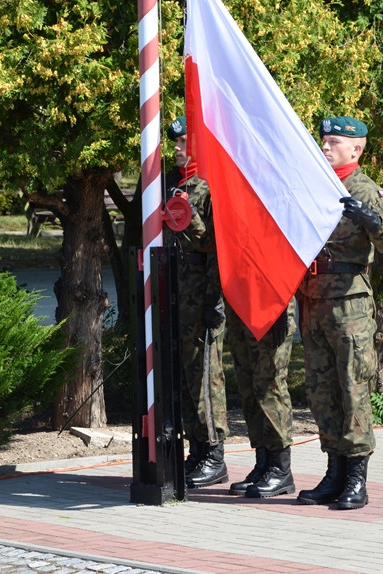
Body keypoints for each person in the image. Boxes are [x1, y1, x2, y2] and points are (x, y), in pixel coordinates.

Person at [296, 116, 383, 510]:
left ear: (356, 149)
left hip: (349, 304)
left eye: (334, 142)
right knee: (322, 391)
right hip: (314, 299)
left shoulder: (365, 189)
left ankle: (357, 478)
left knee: (353, 388)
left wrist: (370, 219)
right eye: (324, 141)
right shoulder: (317, 186)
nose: (325, 147)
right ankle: (334, 472)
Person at [162, 115, 229, 488]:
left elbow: (215, 248)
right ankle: (197, 451)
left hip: (202, 291)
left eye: (182, 141)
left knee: (206, 377)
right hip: (179, 291)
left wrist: (213, 300)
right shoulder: (179, 185)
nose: (175, 148)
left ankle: (214, 453)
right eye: (173, 142)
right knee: (186, 376)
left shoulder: (207, 187)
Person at [225, 302, 297, 498]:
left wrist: (280, 307)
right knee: (248, 386)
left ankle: (280, 469)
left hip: (269, 303)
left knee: (270, 387)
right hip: (242, 301)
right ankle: (263, 464)